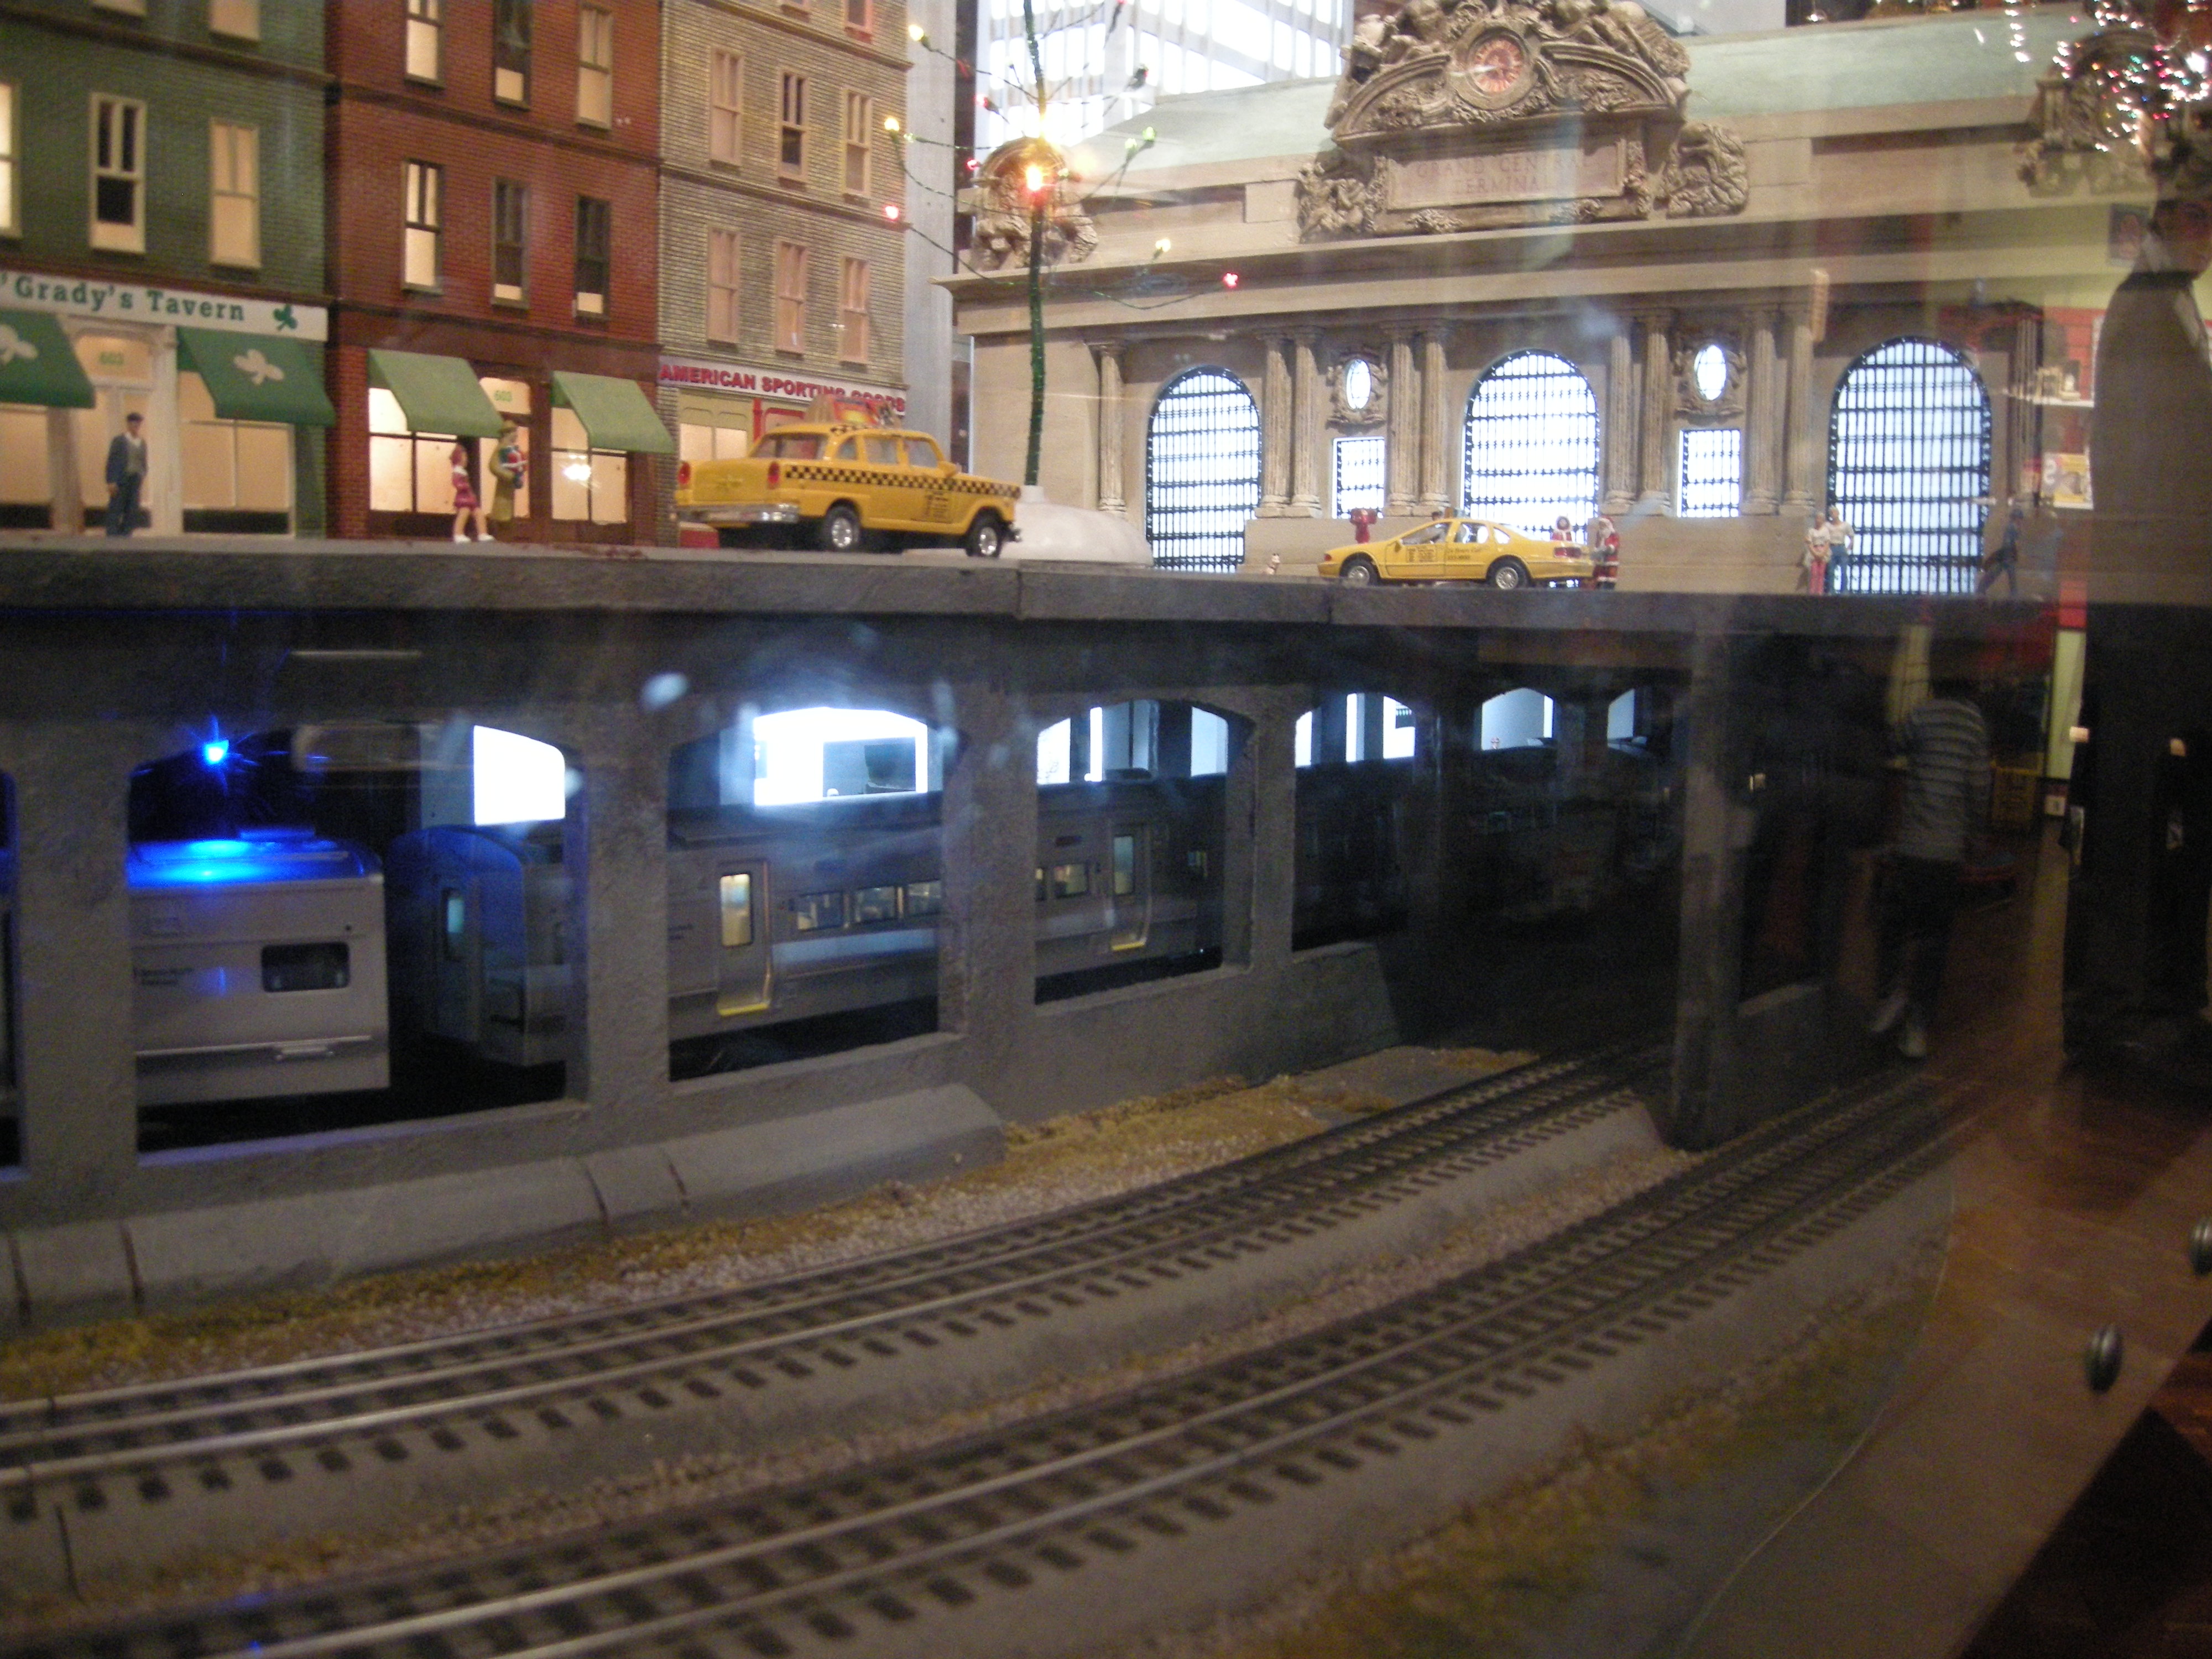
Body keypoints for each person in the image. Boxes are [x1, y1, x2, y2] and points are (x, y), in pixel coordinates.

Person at [1870, 679, 1991, 1058]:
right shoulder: (1974, 723)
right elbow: (1979, 788)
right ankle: (1917, 1026)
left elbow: (1889, 745)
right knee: (1934, 938)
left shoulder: (1923, 714)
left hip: (1911, 844)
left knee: (1894, 925)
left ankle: (1891, 995)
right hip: (1947, 851)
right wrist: (1976, 836)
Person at [104, 410, 147, 537]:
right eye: (133, 423)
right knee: (117, 507)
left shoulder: (142, 442)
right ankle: (112, 534)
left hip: (135, 478)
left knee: (132, 507)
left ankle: (126, 534)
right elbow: (112, 461)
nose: (136, 426)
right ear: (128, 424)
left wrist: (143, 472)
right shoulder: (120, 441)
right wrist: (111, 481)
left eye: (138, 424)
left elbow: (143, 460)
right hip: (121, 478)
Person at [488, 420, 525, 536]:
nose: (516, 435)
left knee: (508, 510)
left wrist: (519, 474)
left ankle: (506, 531)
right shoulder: (501, 449)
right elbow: (494, 466)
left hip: (509, 487)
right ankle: (501, 530)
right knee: (502, 512)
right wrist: (510, 476)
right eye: (514, 432)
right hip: (504, 488)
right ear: (506, 433)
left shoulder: (512, 449)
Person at [450, 441, 491, 543]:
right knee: (464, 513)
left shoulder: (462, 471)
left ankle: (483, 533)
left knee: (479, 513)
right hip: (463, 498)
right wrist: (463, 486)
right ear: (458, 458)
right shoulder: (457, 471)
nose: (466, 459)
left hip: (469, 497)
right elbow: (456, 483)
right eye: (464, 457)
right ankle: (458, 534)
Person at [1980, 503, 2022, 597]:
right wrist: (2015, 552)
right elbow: (2014, 543)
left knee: (2000, 574)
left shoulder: (2012, 527)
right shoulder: (2013, 528)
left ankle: (1982, 588)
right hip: (2008, 555)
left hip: (2007, 555)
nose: (2020, 521)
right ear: (2016, 518)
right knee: (2008, 576)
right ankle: (2014, 595)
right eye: (2019, 518)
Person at [1820, 505, 1854, 591]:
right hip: (1831, 548)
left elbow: (1852, 537)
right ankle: (1831, 591)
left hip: (1841, 547)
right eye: (1831, 513)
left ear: (1838, 513)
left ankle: (1844, 591)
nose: (1833, 514)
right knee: (1831, 571)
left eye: (1834, 512)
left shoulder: (1845, 525)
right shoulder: (1827, 525)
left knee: (1844, 571)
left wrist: (1848, 548)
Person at [1801, 515, 1828, 594]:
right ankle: (1812, 591)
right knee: (1814, 572)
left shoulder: (1825, 531)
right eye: (1817, 518)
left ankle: (1820, 591)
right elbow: (1809, 542)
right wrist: (1814, 553)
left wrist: (1823, 553)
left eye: (1820, 519)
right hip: (1814, 550)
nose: (1818, 520)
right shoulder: (1811, 531)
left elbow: (1827, 542)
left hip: (1823, 551)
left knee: (1821, 573)